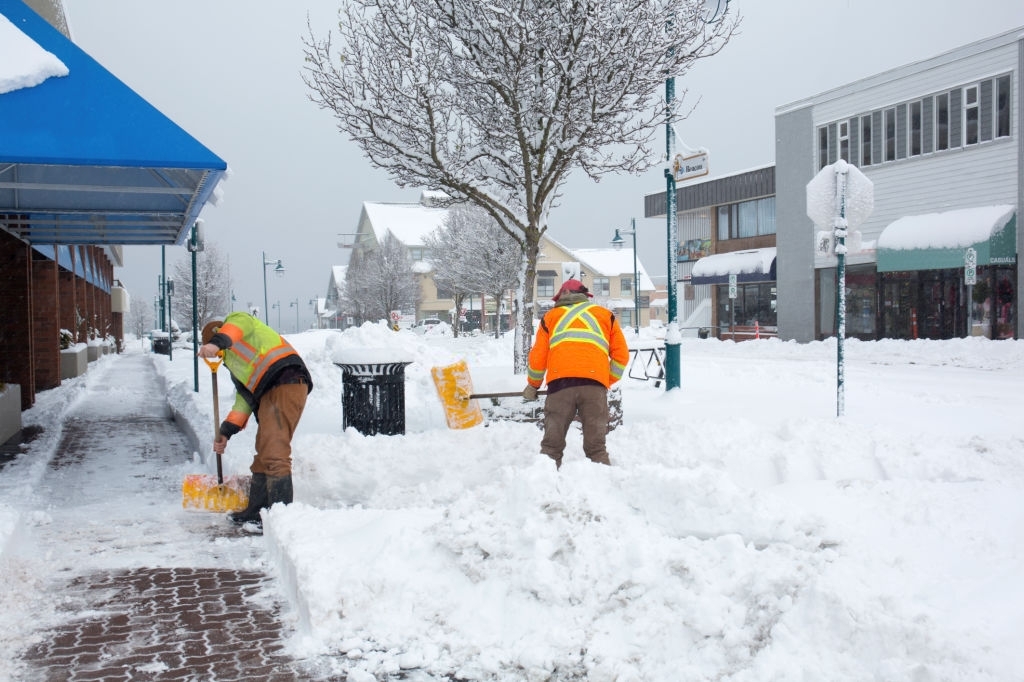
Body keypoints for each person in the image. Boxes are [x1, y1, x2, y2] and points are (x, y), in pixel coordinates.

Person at [197, 312, 313, 527]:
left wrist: (215, 344)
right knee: (263, 452)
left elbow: (233, 330)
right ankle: (257, 510)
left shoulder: (239, 320)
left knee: (275, 450)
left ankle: (282, 520)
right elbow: (244, 399)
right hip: (268, 390)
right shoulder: (232, 360)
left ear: (218, 334)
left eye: (216, 345)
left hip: (286, 380)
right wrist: (226, 431)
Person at [523, 279, 629, 468]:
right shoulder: (605, 315)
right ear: (585, 296)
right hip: (594, 387)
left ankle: (544, 486)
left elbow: (538, 357)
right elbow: (621, 356)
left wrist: (533, 385)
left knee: (551, 447)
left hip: (560, 387)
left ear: (562, 296)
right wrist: (603, 380)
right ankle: (603, 487)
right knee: (596, 447)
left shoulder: (550, 317)